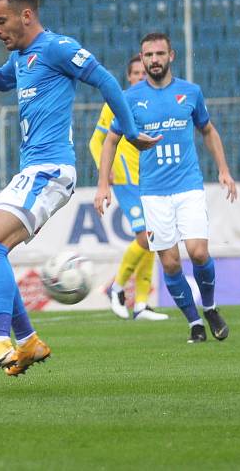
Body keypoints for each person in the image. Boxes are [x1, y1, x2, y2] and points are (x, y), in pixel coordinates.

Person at [0, 0, 160, 377]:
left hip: (52, 170)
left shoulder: (57, 47)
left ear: (26, 15)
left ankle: (0, 339)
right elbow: (1, 80)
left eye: (0, 21)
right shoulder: (22, 57)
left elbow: (106, 80)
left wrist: (128, 128)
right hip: (32, 170)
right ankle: (28, 341)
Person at [94, 32, 237, 344]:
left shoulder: (190, 92)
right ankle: (194, 323)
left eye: (159, 54)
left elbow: (208, 130)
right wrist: (103, 184)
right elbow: (110, 140)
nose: (154, 60)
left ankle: (210, 307)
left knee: (198, 252)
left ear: (171, 56)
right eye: (148, 55)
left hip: (188, 186)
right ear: (142, 59)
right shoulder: (129, 98)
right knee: (170, 262)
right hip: (153, 193)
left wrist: (223, 170)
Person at [89, 55, 168, 321]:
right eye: (134, 73)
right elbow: (95, 142)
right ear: (128, 76)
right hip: (124, 179)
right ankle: (117, 287)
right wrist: (105, 170)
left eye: (142, 73)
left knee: (152, 239)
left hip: (149, 180)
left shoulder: (152, 103)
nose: (138, 77)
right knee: (145, 237)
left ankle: (142, 304)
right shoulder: (116, 102)